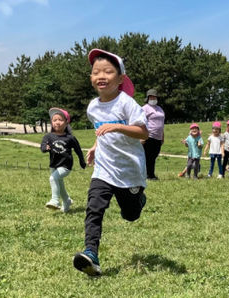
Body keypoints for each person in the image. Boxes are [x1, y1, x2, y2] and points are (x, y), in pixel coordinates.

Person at [73, 49, 148, 276]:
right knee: (94, 208)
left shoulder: (127, 104)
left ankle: (139, 199)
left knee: (130, 215)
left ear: (120, 79)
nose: (101, 76)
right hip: (104, 170)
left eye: (108, 71)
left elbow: (143, 133)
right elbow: (100, 130)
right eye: (96, 72)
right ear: (91, 79)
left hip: (130, 171)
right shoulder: (93, 107)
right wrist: (96, 147)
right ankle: (91, 254)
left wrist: (117, 126)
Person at [41, 108, 86, 212]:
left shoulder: (70, 138)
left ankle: (55, 200)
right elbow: (43, 145)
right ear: (51, 123)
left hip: (66, 166)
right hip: (53, 165)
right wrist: (45, 148)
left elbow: (78, 150)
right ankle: (67, 201)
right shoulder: (48, 136)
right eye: (54, 120)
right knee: (59, 184)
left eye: (60, 120)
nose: (57, 122)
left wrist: (82, 161)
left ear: (66, 122)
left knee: (53, 178)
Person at [142, 89, 165, 180]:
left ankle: (151, 174)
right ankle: (145, 175)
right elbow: (141, 122)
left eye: (154, 97)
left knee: (153, 156)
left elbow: (161, 123)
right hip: (148, 136)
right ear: (148, 98)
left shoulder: (160, 109)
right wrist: (142, 136)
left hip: (158, 137)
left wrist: (162, 136)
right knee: (147, 156)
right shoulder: (145, 108)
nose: (153, 98)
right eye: (151, 97)